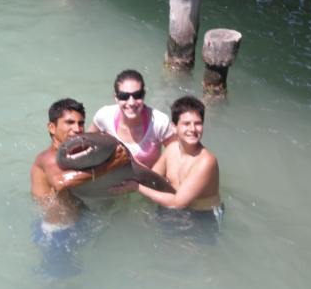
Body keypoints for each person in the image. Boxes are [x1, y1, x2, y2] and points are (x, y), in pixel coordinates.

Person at [30, 98, 130, 277]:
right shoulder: (48, 156)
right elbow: (61, 182)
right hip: (57, 232)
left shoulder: (73, 155)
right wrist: (111, 166)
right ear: (51, 128)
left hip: (79, 222)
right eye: (69, 122)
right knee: (60, 283)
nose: (77, 129)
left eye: (81, 123)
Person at [109, 95, 224, 243]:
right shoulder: (171, 149)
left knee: (198, 259)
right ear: (174, 127)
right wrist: (127, 161)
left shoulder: (206, 161)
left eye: (198, 123)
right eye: (186, 124)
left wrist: (136, 187)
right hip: (174, 209)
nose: (193, 129)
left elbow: (178, 202)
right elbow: (152, 177)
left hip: (203, 216)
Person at [87, 70, 176, 168]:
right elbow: (86, 145)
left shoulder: (159, 122)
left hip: (149, 179)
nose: (131, 102)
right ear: (116, 97)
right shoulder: (104, 116)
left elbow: (177, 155)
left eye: (137, 95)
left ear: (144, 95)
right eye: (124, 96)